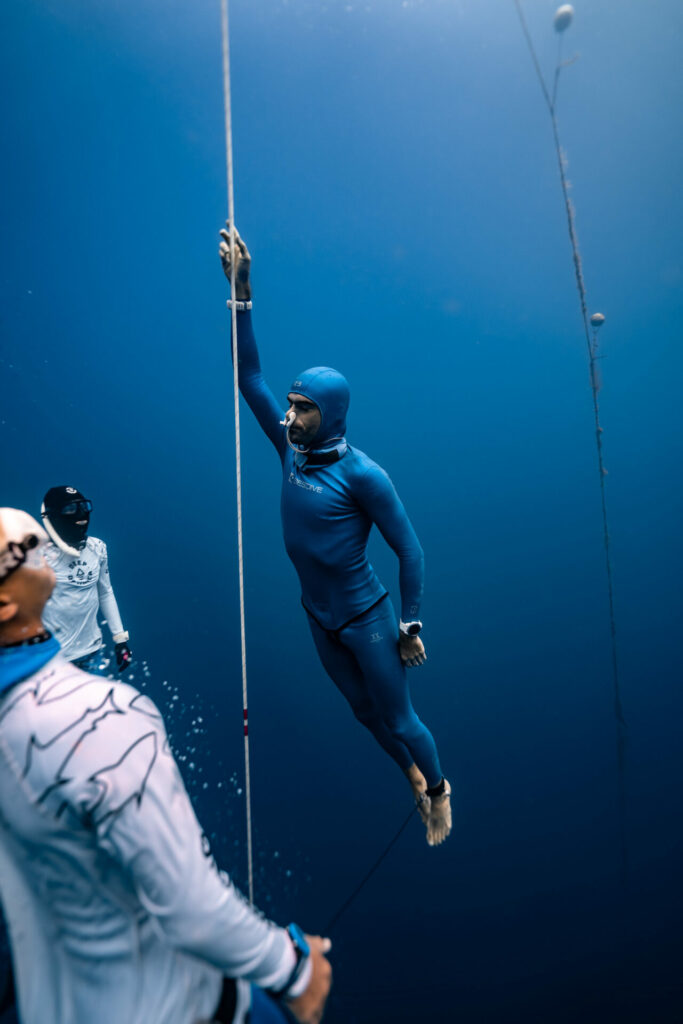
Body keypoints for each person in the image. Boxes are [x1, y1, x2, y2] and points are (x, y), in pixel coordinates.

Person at [0, 508, 332, 1024]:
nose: (34, 537)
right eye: (21, 548)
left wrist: (119, 635)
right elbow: (192, 909)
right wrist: (293, 968)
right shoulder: (102, 718)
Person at [219, 225, 451, 847]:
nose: (289, 417)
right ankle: (408, 775)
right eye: (290, 405)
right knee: (362, 713)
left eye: (303, 409)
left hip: (367, 618)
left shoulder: (362, 475)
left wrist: (411, 626)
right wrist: (242, 293)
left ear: (334, 417)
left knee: (400, 718)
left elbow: (410, 549)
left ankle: (439, 790)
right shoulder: (292, 450)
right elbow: (250, 379)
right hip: (317, 615)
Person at [41, 485, 133, 673]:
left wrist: (120, 639)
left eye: (83, 508)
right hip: (49, 660)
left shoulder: (97, 548)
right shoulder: (38, 556)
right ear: (53, 517)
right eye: (70, 509)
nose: (80, 515)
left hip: (91, 654)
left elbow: (105, 592)